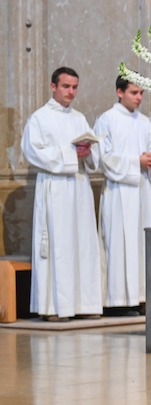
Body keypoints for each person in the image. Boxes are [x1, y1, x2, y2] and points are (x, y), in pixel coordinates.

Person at [20, 67, 102, 321]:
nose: (71, 92)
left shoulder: (79, 118)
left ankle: (84, 304)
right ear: (53, 86)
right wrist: (69, 155)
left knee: (82, 244)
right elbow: (33, 151)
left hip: (79, 185)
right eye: (66, 86)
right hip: (55, 186)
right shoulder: (39, 118)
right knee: (59, 245)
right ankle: (55, 307)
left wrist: (88, 153)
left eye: (75, 87)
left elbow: (92, 155)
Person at [94, 76, 151, 312]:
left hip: (143, 191)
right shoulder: (107, 120)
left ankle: (143, 297)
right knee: (120, 243)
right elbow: (104, 158)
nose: (139, 98)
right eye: (134, 92)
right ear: (119, 92)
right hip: (119, 192)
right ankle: (118, 300)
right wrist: (136, 161)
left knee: (142, 243)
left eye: (141, 92)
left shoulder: (144, 122)